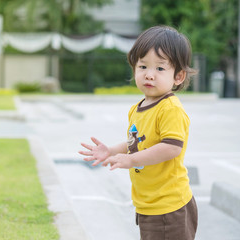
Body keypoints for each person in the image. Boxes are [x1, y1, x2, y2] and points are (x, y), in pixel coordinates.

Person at [79, 26, 198, 240]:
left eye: (160, 69)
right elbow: (136, 142)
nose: (149, 75)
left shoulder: (169, 108)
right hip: (149, 204)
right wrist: (111, 150)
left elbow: (171, 147)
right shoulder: (138, 108)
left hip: (168, 206)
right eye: (143, 66)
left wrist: (131, 160)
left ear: (178, 76)